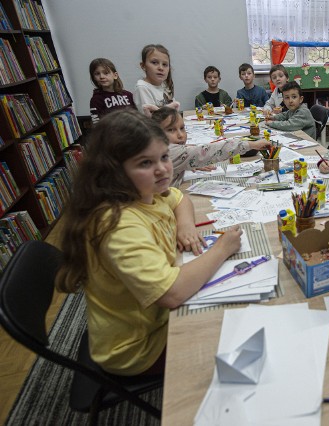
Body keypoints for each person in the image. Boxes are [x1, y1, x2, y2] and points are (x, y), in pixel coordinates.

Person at [55, 109, 242, 376]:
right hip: (138, 347)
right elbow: (172, 293)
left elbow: (179, 198)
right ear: (114, 171)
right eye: (145, 163)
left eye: (164, 157)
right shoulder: (118, 225)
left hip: (153, 319)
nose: (163, 169)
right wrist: (223, 248)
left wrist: (185, 225)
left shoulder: (146, 192)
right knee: (233, 327)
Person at [151, 107, 272, 187]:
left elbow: (187, 154)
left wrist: (188, 163)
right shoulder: (168, 152)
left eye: (182, 128)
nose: (180, 135)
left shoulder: (162, 149)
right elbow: (209, 151)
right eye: (171, 130)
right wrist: (251, 144)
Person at [134, 44, 180, 116]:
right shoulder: (142, 87)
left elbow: (173, 110)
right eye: (154, 63)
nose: (161, 68)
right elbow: (151, 118)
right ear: (143, 66)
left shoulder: (164, 84)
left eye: (164, 64)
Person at [89, 58, 136, 124]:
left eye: (106, 73)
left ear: (115, 75)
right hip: (111, 133)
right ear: (93, 78)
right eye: (97, 74)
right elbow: (96, 124)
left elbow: (137, 117)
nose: (101, 76)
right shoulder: (96, 100)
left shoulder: (128, 95)